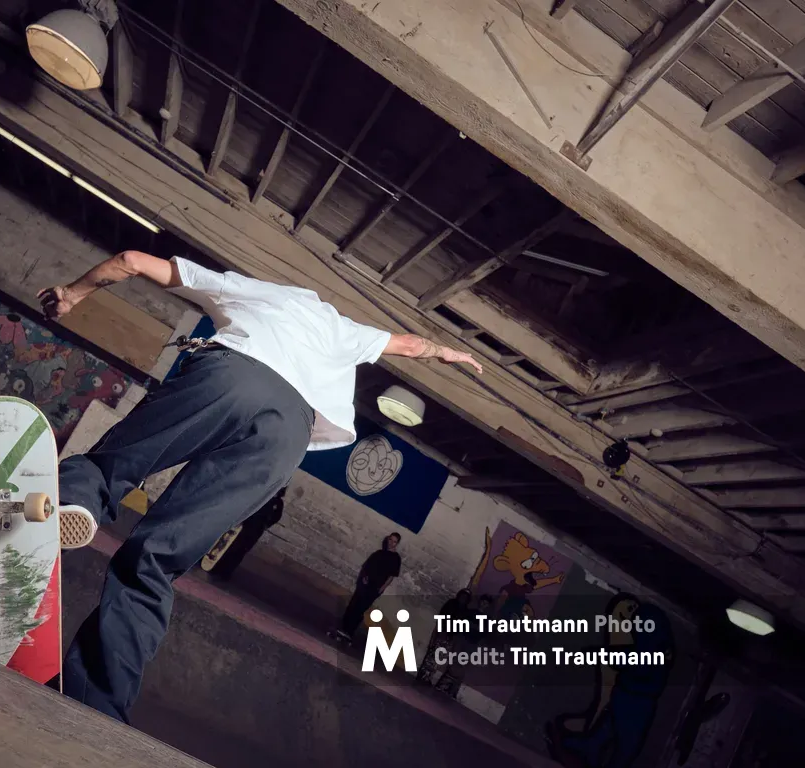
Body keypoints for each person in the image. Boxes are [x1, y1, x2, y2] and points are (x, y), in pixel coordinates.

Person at [37, 250, 481, 724]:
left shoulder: (254, 291)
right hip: (288, 432)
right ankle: (97, 700)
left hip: (233, 378)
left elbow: (131, 260)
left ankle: (71, 501)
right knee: (157, 561)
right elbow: (413, 347)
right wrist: (447, 351)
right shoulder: (345, 331)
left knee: (113, 465)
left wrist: (71, 294)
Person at [332, 533, 404, 644]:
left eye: (394, 541)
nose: (391, 543)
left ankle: (349, 632)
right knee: (353, 605)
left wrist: (382, 588)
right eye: (390, 540)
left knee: (360, 609)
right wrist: (363, 578)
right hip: (364, 584)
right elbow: (366, 567)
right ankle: (343, 628)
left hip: (374, 588)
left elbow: (391, 576)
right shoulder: (379, 553)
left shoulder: (396, 559)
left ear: (397, 544)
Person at [417, 588, 471, 684]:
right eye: (463, 596)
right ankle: (423, 675)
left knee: (440, 657)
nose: (463, 598)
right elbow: (442, 616)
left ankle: (428, 676)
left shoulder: (465, 611)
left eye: (466, 597)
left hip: (451, 636)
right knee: (432, 654)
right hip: (443, 632)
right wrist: (438, 631)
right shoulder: (451, 604)